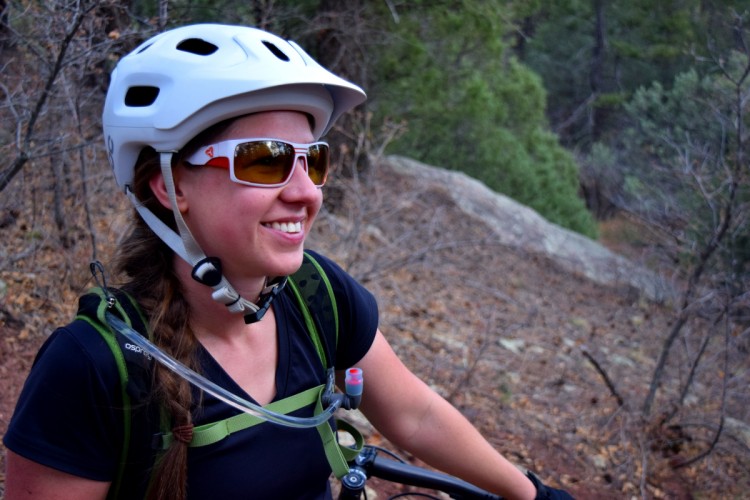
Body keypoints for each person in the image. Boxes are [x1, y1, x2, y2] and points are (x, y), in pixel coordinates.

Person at [3, 24, 573, 500]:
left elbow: (414, 416)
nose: (307, 193)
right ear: (170, 185)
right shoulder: (94, 368)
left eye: (312, 160)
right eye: (266, 161)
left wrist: (533, 495)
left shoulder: (316, 293)